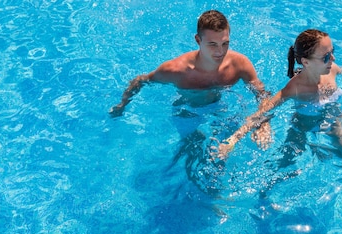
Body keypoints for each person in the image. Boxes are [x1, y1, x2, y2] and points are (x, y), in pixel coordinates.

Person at [110, 10, 271, 195]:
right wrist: (122, 105)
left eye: (225, 43)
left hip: (219, 106)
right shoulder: (176, 70)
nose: (220, 51)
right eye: (212, 44)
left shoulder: (239, 64)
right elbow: (140, 80)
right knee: (194, 150)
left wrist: (263, 123)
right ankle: (200, 192)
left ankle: (217, 191)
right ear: (198, 40)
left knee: (222, 150)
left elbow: (262, 93)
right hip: (187, 110)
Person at [216, 29, 342, 164]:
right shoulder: (296, 88)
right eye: (326, 56)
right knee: (287, 162)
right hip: (303, 125)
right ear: (306, 62)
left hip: (333, 117)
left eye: (333, 53)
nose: (332, 59)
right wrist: (231, 141)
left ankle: (320, 150)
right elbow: (262, 111)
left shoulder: (331, 69)